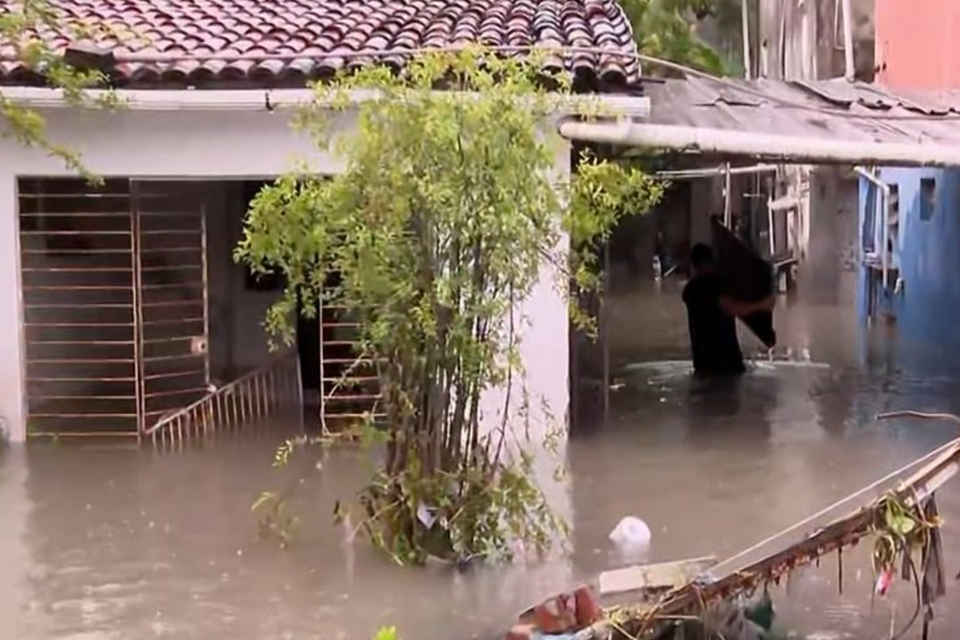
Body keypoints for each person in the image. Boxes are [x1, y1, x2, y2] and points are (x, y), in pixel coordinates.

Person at [682, 243, 774, 376]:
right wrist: (763, 305)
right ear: (711, 262)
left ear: (694, 265)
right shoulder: (716, 285)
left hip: (702, 363)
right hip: (727, 363)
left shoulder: (689, 290)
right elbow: (733, 309)